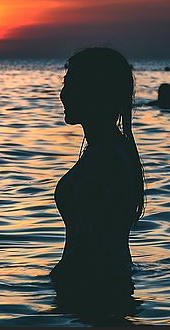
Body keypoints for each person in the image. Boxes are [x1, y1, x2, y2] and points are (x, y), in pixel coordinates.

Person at [51, 47, 145, 302]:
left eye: (72, 85)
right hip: (102, 285)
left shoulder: (107, 161)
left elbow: (93, 246)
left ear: (95, 92)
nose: (64, 94)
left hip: (94, 291)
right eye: (65, 84)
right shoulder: (109, 153)